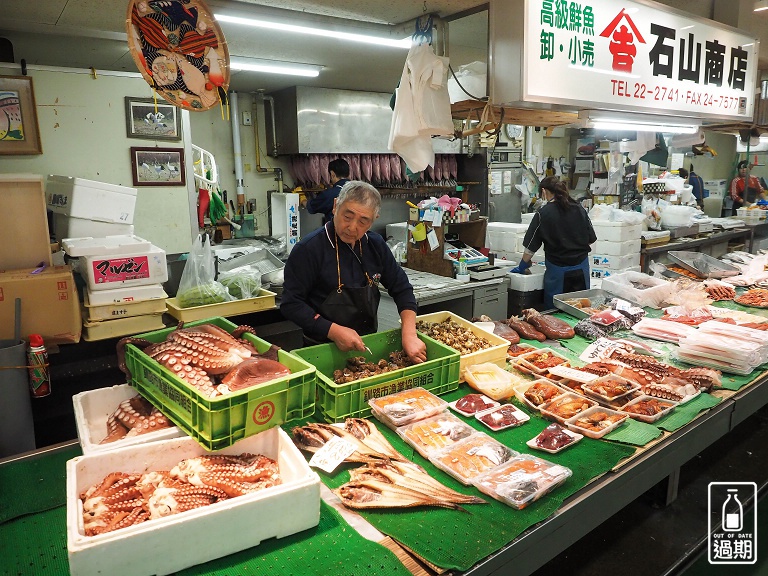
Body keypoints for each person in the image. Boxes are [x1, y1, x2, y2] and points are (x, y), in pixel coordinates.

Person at [282, 180, 427, 363]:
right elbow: (291, 303)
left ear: (374, 219)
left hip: (366, 346)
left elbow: (402, 288)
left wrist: (409, 334)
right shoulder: (308, 249)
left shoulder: (375, 246)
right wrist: (333, 331)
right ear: (335, 206)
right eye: (347, 216)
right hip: (319, 350)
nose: (352, 227)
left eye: (363, 221)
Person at [510, 176, 597, 309]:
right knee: (581, 308)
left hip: (558, 271)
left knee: (556, 314)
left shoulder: (543, 213)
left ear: (544, 191)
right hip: (581, 268)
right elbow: (591, 239)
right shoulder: (579, 209)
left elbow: (530, 248)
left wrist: (522, 265)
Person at [306, 158, 350, 225]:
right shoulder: (359, 189)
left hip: (336, 232)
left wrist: (302, 198)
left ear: (332, 174)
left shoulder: (330, 194)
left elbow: (311, 207)